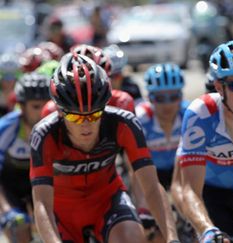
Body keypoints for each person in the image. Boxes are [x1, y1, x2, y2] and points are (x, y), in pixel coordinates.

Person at [29, 53, 179, 243]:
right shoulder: (44, 135)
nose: (85, 124)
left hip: (107, 201)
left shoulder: (123, 123)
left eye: (94, 115)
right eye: (75, 117)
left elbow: (151, 187)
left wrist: (173, 238)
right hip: (63, 213)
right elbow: (42, 204)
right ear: (59, 111)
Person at [174, 40, 233, 242]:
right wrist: (207, 229)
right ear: (219, 87)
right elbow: (189, 190)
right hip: (213, 194)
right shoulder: (201, 114)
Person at [134, 63, 190, 242]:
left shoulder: (190, 114)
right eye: (160, 98)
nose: (167, 104)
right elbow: (134, 169)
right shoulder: (139, 118)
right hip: (150, 173)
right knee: (151, 230)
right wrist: (143, 209)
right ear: (149, 98)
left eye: (173, 97)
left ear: (181, 96)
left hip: (179, 170)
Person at [0, 72, 51, 243]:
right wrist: (6, 209)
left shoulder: (56, 125)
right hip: (9, 188)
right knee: (19, 229)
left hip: (39, 185)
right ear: (21, 107)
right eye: (36, 106)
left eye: (47, 105)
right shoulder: (7, 127)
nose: (43, 112)